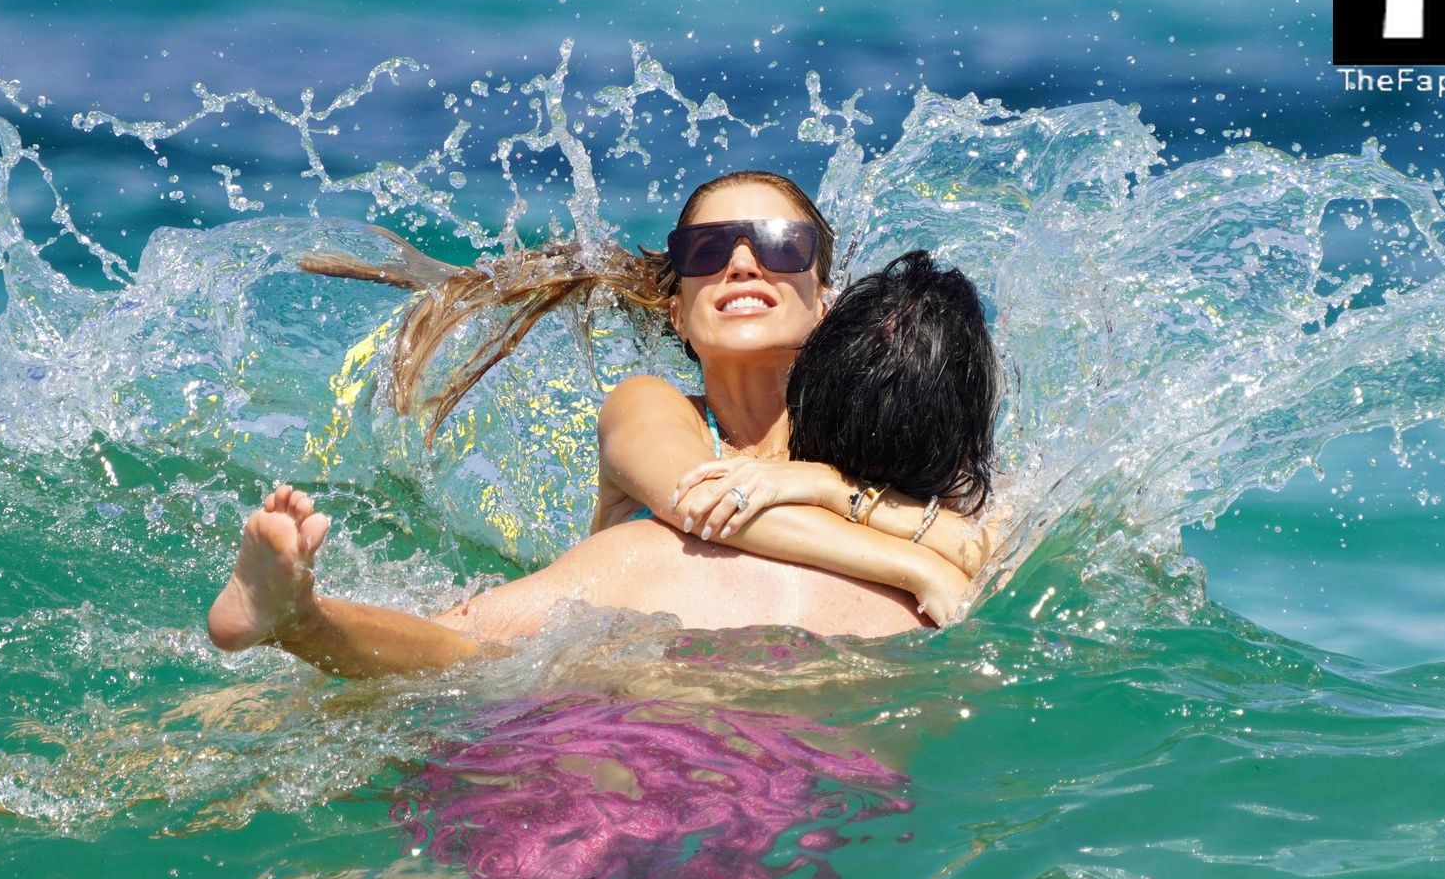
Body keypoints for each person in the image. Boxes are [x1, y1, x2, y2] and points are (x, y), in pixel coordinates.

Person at [207, 245, 1002, 676]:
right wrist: (911, 556)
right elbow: (699, 498)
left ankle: (300, 621)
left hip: (600, 707)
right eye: (706, 251)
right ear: (675, 313)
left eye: (781, 246)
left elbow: (466, 649)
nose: (742, 262)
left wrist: (821, 483)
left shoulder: (649, 559)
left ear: (827, 309)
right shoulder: (654, 410)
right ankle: (299, 620)